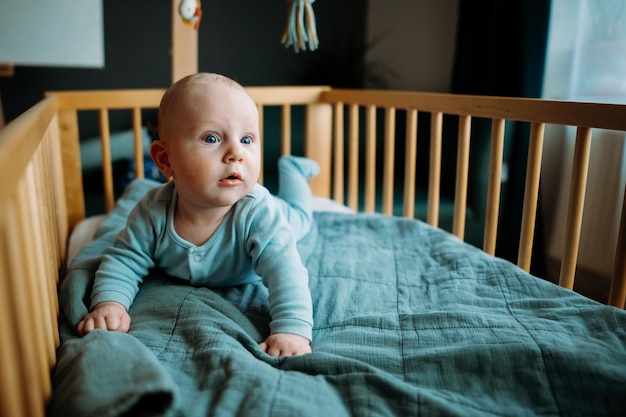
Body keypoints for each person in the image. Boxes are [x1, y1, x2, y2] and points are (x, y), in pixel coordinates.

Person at [77, 72, 318, 357]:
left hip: (281, 214)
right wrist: (110, 304)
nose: (236, 153)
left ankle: (292, 170)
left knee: (302, 216)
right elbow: (124, 260)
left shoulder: (260, 213)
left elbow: (285, 272)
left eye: (247, 139)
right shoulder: (152, 212)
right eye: (212, 138)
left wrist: (291, 331)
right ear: (165, 160)